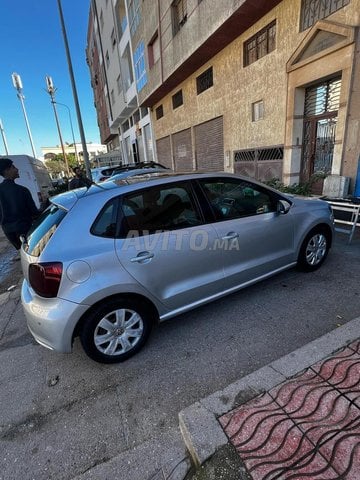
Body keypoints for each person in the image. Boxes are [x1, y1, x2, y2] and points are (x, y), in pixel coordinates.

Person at [0, 157, 39, 250]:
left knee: (22, 252)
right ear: (7, 171)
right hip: (25, 229)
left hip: (8, 232)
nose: (17, 169)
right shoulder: (22, 190)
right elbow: (34, 213)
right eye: (13, 167)